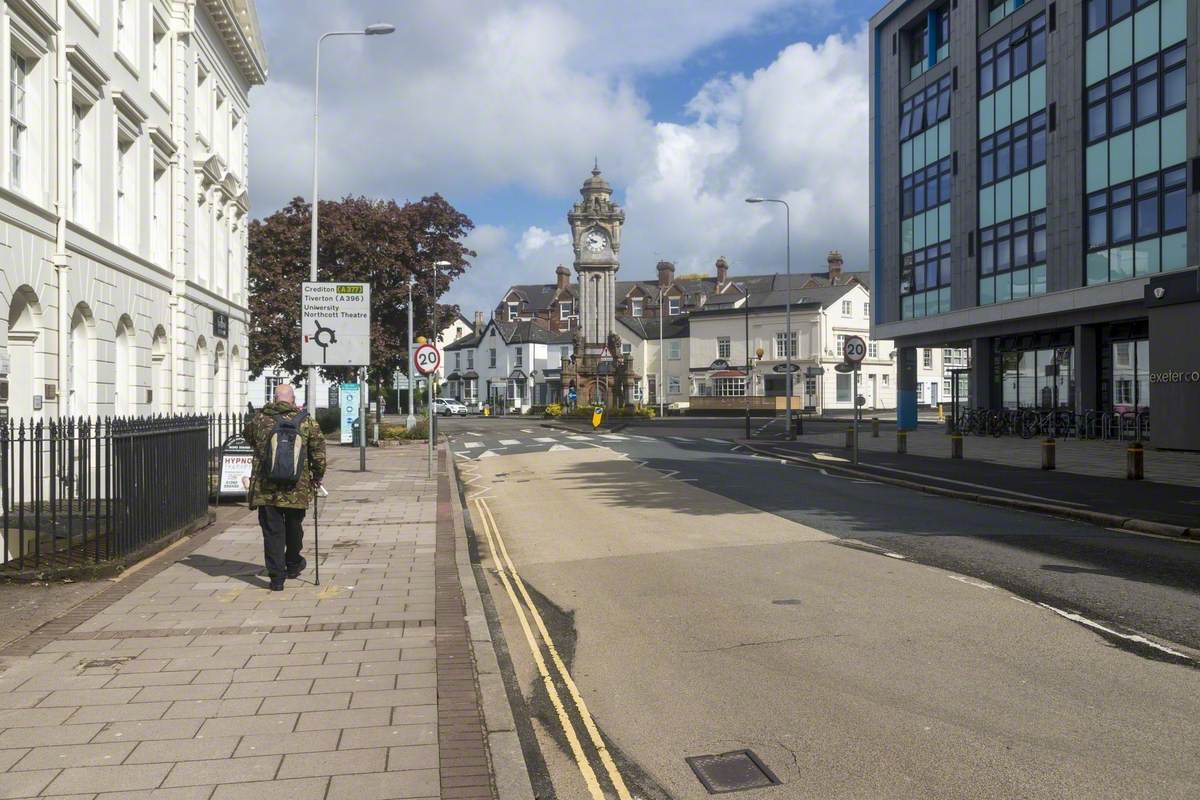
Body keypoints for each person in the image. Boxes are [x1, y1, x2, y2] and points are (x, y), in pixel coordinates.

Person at [243, 384, 326, 590]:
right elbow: (318, 453)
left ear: (274, 398)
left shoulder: (260, 420)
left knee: (272, 532)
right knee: (293, 528)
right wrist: (317, 475)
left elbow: (248, 438)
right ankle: (293, 562)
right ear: (293, 399)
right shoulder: (306, 422)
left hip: (267, 488)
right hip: (296, 488)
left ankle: (276, 578)